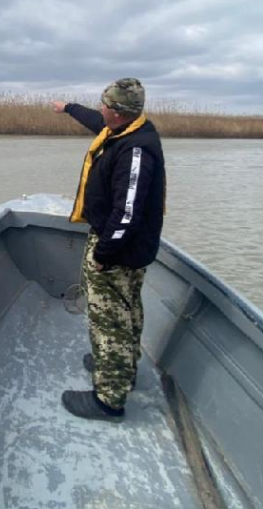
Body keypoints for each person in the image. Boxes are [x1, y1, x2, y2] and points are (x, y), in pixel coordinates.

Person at [51, 78, 166, 423]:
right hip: (128, 249)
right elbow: (95, 121)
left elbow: (127, 212)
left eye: (105, 106)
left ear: (118, 113)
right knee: (127, 310)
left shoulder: (135, 150)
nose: (101, 110)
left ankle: (109, 399)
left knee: (109, 322)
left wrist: (103, 254)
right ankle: (121, 367)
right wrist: (68, 108)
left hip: (117, 252)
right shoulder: (127, 129)